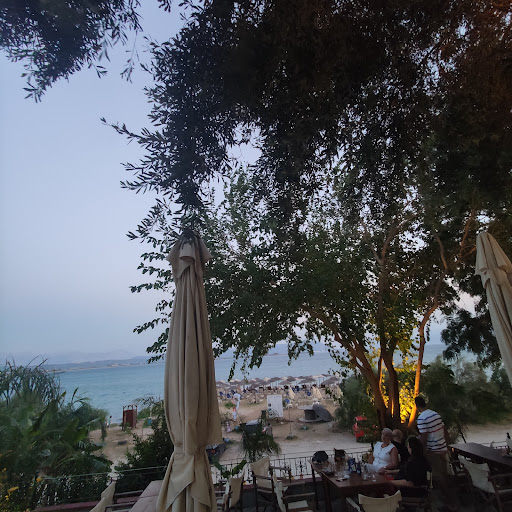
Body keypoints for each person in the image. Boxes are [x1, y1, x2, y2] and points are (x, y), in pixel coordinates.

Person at [415, 396, 456, 512]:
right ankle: (450, 499)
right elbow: (444, 430)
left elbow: (424, 436)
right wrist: (448, 445)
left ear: (417, 406)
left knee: (439, 477)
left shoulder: (422, 418)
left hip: (433, 450)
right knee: (445, 475)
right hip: (442, 448)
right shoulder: (435, 414)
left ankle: (450, 502)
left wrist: (422, 451)